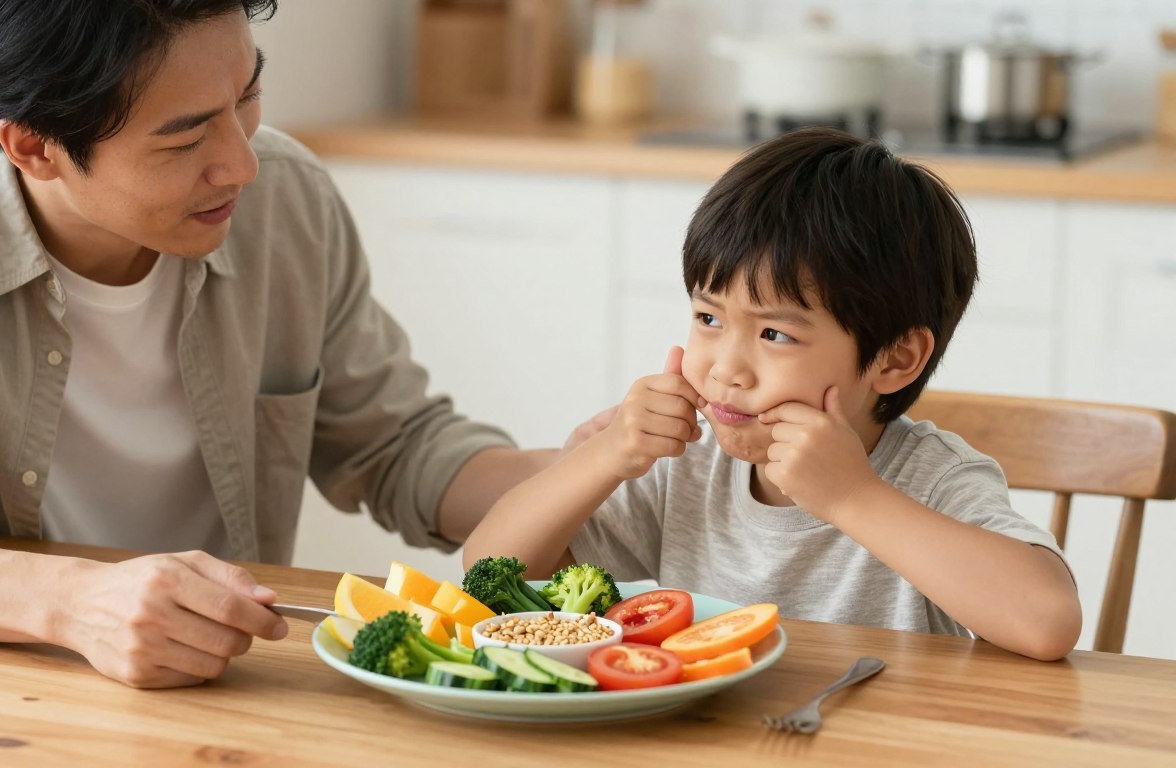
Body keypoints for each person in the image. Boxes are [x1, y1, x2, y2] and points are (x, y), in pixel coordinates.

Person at [0, 0, 605, 688]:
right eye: (185, 138)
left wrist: (589, 473)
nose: (240, 162)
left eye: (247, 97)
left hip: (225, 689)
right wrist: (73, 603)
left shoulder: (287, 196)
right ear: (33, 147)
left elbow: (398, 444)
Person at [464, 128, 1083, 661]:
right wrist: (602, 458)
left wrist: (851, 494)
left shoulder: (932, 477)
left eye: (774, 333)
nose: (727, 368)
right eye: (708, 319)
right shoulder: (686, 466)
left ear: (895, 359)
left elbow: (1047, 621)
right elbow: (487, 576)